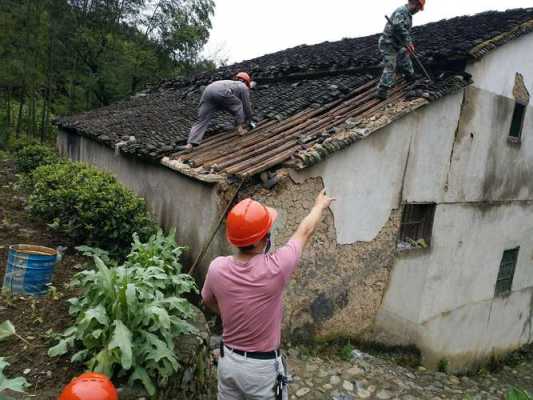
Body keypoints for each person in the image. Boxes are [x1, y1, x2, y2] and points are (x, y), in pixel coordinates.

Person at [201, 189, 335, 400]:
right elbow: (305, 231)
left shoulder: (217, 268)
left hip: (228, 361)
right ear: (264, 238)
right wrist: (319, 205)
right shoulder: (276, 268)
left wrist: (231, 314)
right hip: (261, 370)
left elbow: (207, 300)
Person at [176, 72, 255, 152]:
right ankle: (240, 129)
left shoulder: (228, 83)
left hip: (208, 90)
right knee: (239, 104)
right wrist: (249, 118)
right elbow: (246, 105)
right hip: (221, 92)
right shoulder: (243, 86)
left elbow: (229, 105)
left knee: (202, 119)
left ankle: (190, 145)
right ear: (245, 82)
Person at [376, 0, 426, 100]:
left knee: (405, 58)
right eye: (418, 8)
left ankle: (411, 80)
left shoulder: (408, 15)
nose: (417, 11)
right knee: (391, 65)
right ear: (414, 4)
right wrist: (408, 42)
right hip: (388, 43)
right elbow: (398, 26)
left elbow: (403, 30)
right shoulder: (401, 11)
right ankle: (382, 90)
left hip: (398, 44)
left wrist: (407, 44)